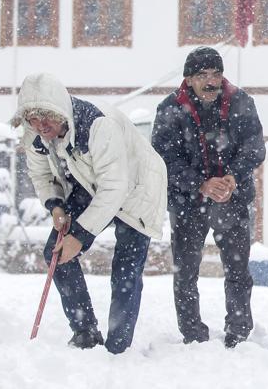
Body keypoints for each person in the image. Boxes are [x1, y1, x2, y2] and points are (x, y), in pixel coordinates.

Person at [12, 73, 167, 354]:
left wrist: (80, 236)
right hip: (88, 182)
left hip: (136, 187)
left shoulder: (97, 126)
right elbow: (40, 174)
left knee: (126, 269)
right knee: (57, 253)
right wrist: (56, 205)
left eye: (46, 117)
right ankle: (86, 332)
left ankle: (118, 347)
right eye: (33, 119)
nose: (41, 126)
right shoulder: (35, 136)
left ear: (61, 109)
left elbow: (115, 188)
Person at [151, 46, 266, 348]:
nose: (211, 81)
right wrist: (200, 184)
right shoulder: (170, 109)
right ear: (188, 79)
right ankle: (192, 333)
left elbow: (255, 148)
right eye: (203, 75)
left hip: (233, 197)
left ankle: (239, 330)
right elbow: (164, 158)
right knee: (186, 271)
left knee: (238, 269)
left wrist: (232, 177)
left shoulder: (242, 103)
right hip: (188, 202)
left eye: (216, 74)